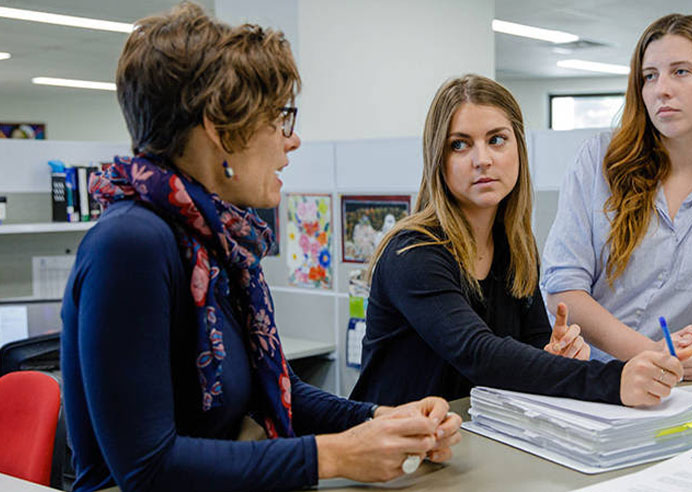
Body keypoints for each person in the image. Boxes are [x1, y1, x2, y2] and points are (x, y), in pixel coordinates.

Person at [60, 4, 461, 491]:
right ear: (218, 126)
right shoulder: (132, 243)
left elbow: (269, 390)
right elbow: (146, 468)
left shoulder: (211, 242)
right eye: (277, 118)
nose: (291, 140)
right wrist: (333, 456)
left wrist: (383, 419)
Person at [351, 74, 689, 409]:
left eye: (496, 140)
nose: (482, 159)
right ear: (438, 160)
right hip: (396, 450)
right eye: (460, 144)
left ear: (519, 149)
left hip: (473, 439)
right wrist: (614, 380)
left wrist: (553, 355)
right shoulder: (413, 252)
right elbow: (480, 355)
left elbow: (531, 344)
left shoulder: (514, 249)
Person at [541, 14, 692, 381]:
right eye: (650, 76)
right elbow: (565, 289)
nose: (662, 89)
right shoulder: (599, 161)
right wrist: (650, 354)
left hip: (676, 386)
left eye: (681, 72)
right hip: (587, 378)